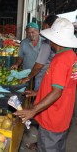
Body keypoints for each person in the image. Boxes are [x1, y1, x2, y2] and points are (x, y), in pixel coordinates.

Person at [15, 18, 77, 152]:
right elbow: (62, 86)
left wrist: (33, 110)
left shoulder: (60, 60)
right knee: (59, 147)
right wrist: (38, 93)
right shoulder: (71, 55)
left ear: (55, 39)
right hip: (63, 115)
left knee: (48, 147)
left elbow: (56, 92)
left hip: (52, 117)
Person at [20, 15, 59, 90]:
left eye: (33, 32)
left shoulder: (46, 43)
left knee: (41, 95)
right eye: (28, 32)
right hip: (52, 78)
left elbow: (39, 65)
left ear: (46, 25)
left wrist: (28, 78)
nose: (31, 34)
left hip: (43, 77)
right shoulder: (67, 50)